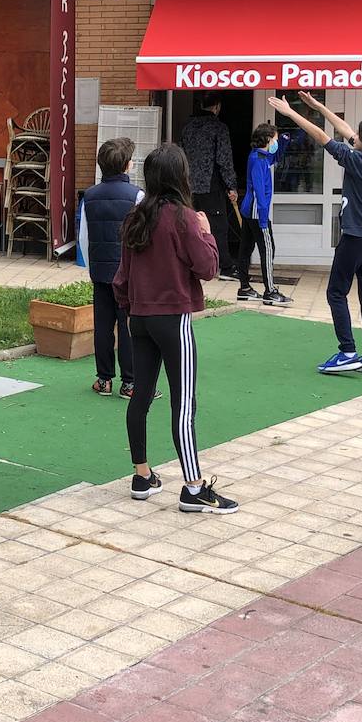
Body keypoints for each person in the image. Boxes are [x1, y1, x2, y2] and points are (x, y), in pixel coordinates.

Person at [113, 143, 239, 514]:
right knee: (184, 403)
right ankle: (194, 487)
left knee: (141, 396)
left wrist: (128, 314)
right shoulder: (184, 217)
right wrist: (208, 232)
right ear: (180, 176)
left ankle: (142, 475)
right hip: (173, 319)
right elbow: (207, 268)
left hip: (139, 318)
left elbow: (121, 278)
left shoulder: (135, 217)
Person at [270, 92, 362, 378]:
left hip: (356, 238)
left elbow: (322, 138)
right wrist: (319, 106)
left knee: (336, 292)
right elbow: (346, 130)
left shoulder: (359, 161)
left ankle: (347, 351)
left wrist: (292, 114)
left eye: (360, 135)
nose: (355, 135)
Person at [78, 137, 150, 399]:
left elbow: (84, 238)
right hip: (129, 273)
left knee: (103, 325)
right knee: (129, 326)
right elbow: (145, 237)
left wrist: (92, 263)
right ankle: (130, 383)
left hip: (99, 269)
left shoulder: (90, 196)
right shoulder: (138, 196)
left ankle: (103, 379)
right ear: (128, 166)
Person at [179, 91, 239, 281]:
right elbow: (224, 160)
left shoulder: (187, 127)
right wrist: (232, 186)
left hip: (187, 185)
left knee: (190, 226)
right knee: (217, 226)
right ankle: (225, 266)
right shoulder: (218, 128)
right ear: (217, 106)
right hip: (210, 185)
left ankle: (192, 264)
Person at [237, 122, 293, 308]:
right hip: (256, 211)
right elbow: (260, 191)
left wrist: (284, 143)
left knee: (245, 248)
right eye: (276, 139)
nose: (276, 142)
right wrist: (263, 218)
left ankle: (244, 287)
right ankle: (270, 291)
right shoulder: (259, 160)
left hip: (248, 210)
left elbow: (274, 157)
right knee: (268, 249)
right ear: (268, 139)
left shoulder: (259, 156)